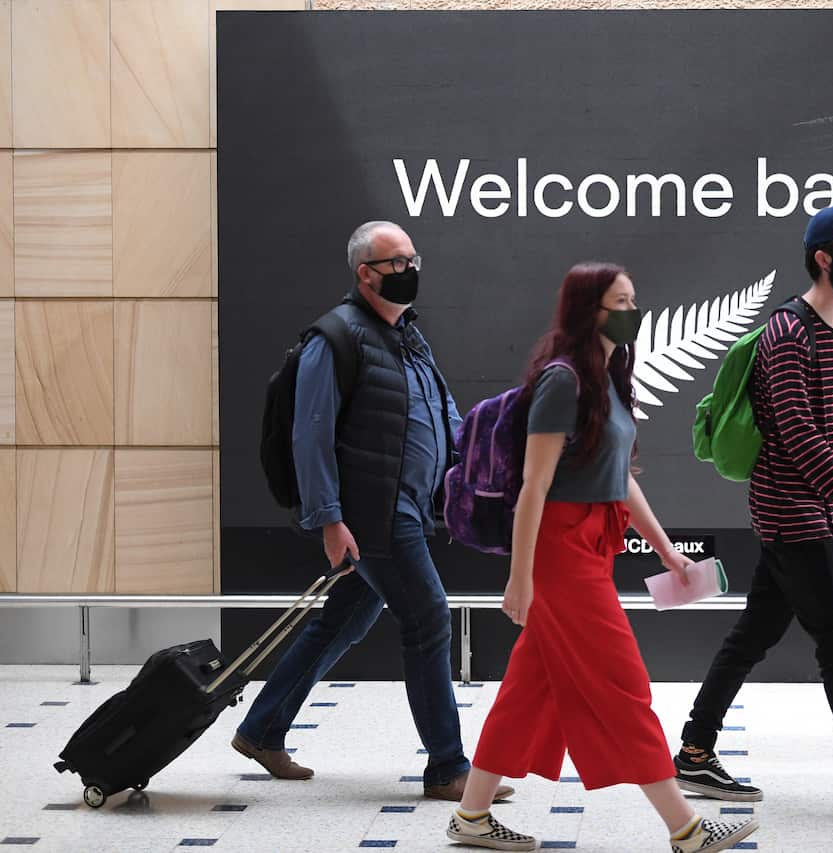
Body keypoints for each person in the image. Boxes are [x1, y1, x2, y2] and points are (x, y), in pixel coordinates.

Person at [444, 262, 758, 852]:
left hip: (589, 544)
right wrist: (519, 579)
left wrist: (666, 550)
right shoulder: (563, 381)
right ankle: (686, 828)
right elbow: (534, 486)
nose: (632, 310)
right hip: (559, 551)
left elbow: (620, 480)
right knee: (622, 682)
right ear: (590, 309)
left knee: (528, 689)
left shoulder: (609, 377)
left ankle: (470, 816)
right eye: (621, 300)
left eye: (634, 298)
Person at [231, 220, 512, 804]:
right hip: (372, 512)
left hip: (408, 504)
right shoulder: (333, 339)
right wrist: (329, 519)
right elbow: (311, 437)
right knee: (428, 617)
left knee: (344, 620)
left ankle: (261, 730)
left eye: (414, 260)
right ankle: (447, 768)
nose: (411, 271)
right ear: (365, 273)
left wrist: (479, 457)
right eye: (397, 264)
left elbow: (442, 410)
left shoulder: (407, 334)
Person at [674, 205, 833, 815]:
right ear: (822, 259)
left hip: (807, 511)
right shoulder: (788, 333)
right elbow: (801, 437)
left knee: (755, 632)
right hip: (789, 512)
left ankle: (694, 752)